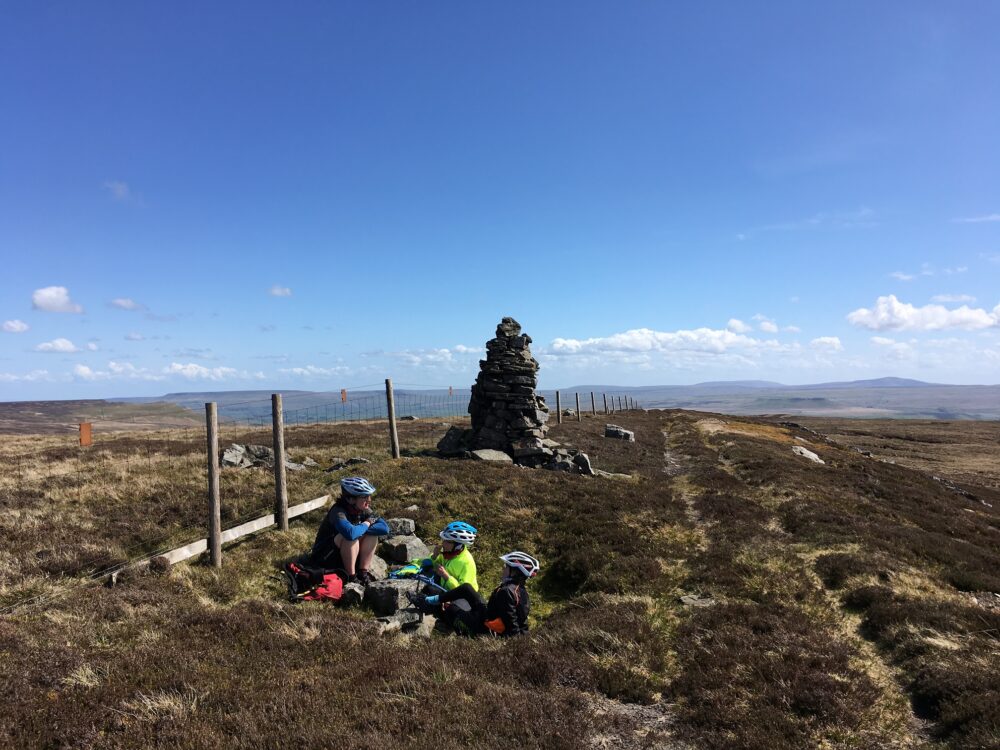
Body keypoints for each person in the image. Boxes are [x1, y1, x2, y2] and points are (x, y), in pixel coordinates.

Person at [408, 551, 539, 637]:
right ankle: (432, 599)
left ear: (514, 572)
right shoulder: (518, 590)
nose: (503, 568)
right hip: (487, 615)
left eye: (506, 566)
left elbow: (513, 626)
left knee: (450, 610)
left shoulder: (507, 592)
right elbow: (522, 622)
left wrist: (516, 648)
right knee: (466, 588)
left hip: (484, 629)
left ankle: (429, 604)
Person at [307, 476, 389, 584]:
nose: (369, 500)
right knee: (350, 537)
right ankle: (351, 577)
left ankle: (363, 573)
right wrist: (367, 523)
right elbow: (350, 534)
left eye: (369, 496)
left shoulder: (363, 509)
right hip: (324, 558)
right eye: (364, 496)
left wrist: (360, 530)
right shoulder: (338, 512)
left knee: (372, 535)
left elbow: (384, 528)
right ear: (350, 499)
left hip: (344, 554)